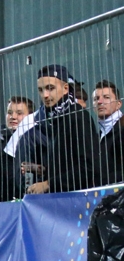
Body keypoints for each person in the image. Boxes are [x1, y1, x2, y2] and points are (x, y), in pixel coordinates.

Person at [24, 64, 98, 194]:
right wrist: (44, 171)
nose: (45, 95)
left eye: (50, 88)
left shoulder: (78, 116)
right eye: (40, 90)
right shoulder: (56, 118)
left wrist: (48, 184)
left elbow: (88, 168)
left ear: (65, 89)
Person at [94, 80, 124, 186]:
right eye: (96, 99)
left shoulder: (122, 129)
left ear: (118, 104)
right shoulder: (97, 137)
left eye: (106, 97)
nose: (100, 102)